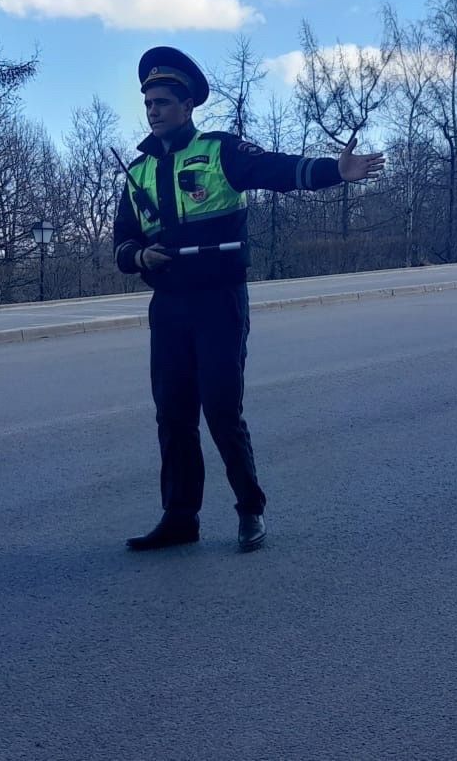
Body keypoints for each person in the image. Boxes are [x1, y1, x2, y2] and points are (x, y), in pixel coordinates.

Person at [113, 46, 384, 552]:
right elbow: (122, 244)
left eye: (164, 102)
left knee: (220, 408)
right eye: (149, 102)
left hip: (218, 301)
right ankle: (180, 517)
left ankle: (250, 510)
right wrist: (139, 257)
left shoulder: (219, 151)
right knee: (172, 415)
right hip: (168, 307)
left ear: (187, 105)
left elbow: (276, 171)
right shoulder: (138, 172)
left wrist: (334, 171)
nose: (154, 110)